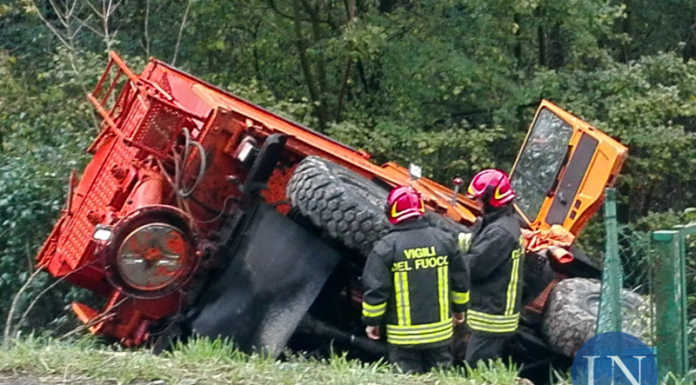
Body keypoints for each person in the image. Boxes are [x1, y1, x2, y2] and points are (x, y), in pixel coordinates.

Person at [361, 185, 469, 373]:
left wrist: (372, 322)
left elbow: (376, 291)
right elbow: (460, 282)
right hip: (440, 336)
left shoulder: (385, 248)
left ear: (392, 211)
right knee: (441, 378)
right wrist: (459, 312)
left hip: (403, 340)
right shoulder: (445, 241)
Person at [459, 169, 525, 365]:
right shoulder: (497, 223)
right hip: (489, 309)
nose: (476, 203)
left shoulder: (500, 232)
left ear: (492, 200)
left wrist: (453, 261)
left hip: (492, 317)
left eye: (479, 199)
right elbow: (471, 242)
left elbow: (475, 268)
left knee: (476, 368)